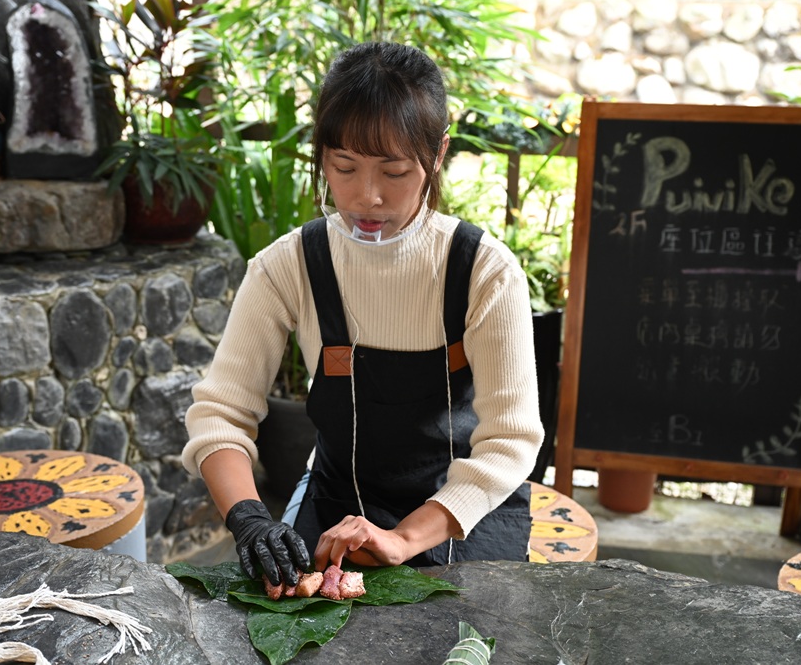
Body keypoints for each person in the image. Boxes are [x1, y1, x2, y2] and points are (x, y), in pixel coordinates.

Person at [181, 41, 543, 587]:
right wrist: (250, 520)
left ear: (437, 154)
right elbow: (219, 415)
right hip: (337, 498)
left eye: (394, 172)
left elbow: (510, 441)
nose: (365, 197)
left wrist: (402, 540)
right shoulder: (290, 265)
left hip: (464, 509)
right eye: (343, 167)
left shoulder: (482, 271)